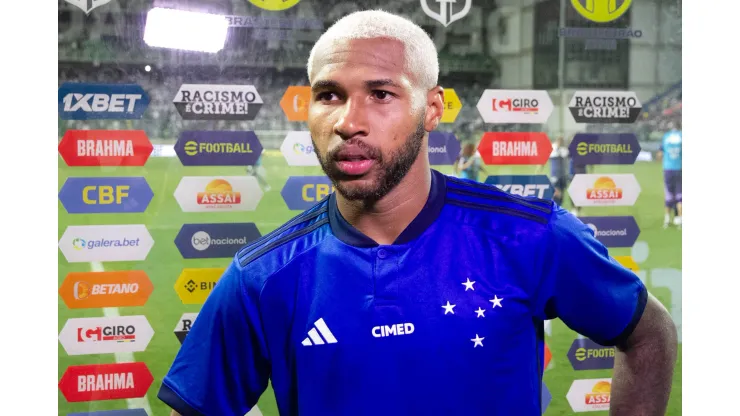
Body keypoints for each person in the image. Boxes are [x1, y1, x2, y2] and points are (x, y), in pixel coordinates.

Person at [158, 10, 677, 416]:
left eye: (380, 94)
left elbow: (648, 330)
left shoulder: (529, 236)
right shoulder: (261, 277)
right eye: (328, 95)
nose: (347, 121)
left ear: (432, 109)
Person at [656, 121, 682, 229]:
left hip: (668, 169)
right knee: (680, 195)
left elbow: (660, 154)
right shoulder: (682, 136)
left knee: (669, 195)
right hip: (680, 169)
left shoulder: (666, 137)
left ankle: (666, 220)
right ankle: (680, 220)